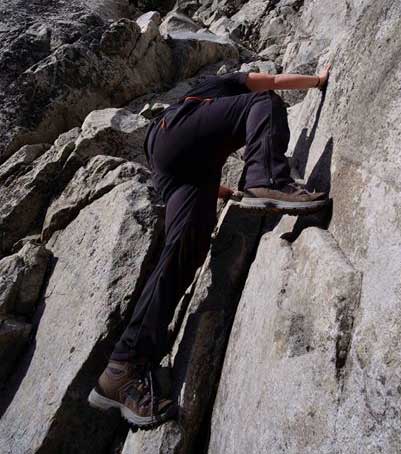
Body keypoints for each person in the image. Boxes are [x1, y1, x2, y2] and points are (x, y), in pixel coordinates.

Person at [88, 64, 332, 427]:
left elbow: (192, 152)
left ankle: (123, 370)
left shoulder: (203, 120)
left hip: (172, 162)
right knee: (263, 102)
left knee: (183, 255)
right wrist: (318, 79)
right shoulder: (226, 81)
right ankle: (268, 179)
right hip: (177, 138)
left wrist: (220, 192)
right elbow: (272, 84)